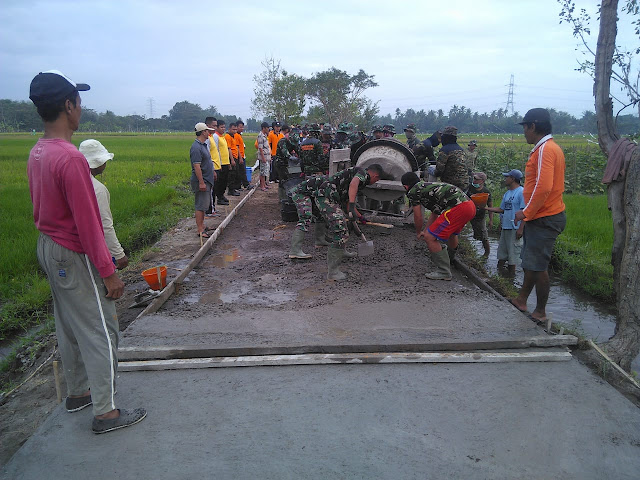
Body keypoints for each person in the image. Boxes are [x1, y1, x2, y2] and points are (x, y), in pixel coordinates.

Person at [27, 70, 146, 433]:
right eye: (78, 101)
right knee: (101, 328)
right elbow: (88, 224)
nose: (82, 107)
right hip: (72, 251)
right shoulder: (71, 158)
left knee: (69, 323)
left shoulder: (39, 150)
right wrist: (109, 272)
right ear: (68, 105)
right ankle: (106, 412)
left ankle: (78, 392)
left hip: (48, 247)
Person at [510, 108, 566, 322]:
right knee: (532, 263)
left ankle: (540, 311)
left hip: (544, 217)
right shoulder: (548, 148)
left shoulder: (545, 150)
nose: (524, 132)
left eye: (524, 127)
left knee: (538, 266)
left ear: (532, 126)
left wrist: (525, 213)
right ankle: (522, 300)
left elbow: (543, 187)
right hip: (543, 215)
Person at [289, 164, 384, 280]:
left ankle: (333, 247)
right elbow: (353, 184)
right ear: (375, 175)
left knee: (337, 223)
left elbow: (348, 200)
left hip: (325, 195)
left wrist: (360, 216)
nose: (375, 182)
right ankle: (333, 272)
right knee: (339, 230)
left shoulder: (358, 180)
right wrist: (352, 206)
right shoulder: (362, 173)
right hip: (324, 196)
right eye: (377, 180)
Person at [401, 172, 476, 281]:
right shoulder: (427, 187)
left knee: (429, 238)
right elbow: (435, 213)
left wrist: (418, 232)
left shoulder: (414, 191)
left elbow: (418, 216)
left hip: (459, 208)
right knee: (452, 233)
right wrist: (425, 230)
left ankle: (444, 271)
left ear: (405, 186)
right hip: (470, 206)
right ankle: (449, 260)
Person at [79, 139, 128, 269]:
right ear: (99, 163)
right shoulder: (97, 189)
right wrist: (119, 254)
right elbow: (105, 225)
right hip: (88, 249)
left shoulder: (73, 180)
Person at [485, 169, 525, 277]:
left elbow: (525, 212)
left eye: (507, 177)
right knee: (502, 254)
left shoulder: (521, 192)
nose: (505, 179)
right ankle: (499, 276)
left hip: (515, 228)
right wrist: (486, 208)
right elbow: (502, 209)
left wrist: (521, 229)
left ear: (513, 179)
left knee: (512, 257)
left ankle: (510, 280)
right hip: (506, 227)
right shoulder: (507, 193)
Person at [191, 122, 217, 237]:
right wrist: (201, 182)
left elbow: (208, 161)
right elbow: (197, 166)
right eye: (207, 131)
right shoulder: (196, 147)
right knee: (200, 205)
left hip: (207, 178)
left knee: (205, 204)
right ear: (202, 132)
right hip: (202, 181)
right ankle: (200, 229)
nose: (209, 133)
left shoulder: (203, 145)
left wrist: (213, 171)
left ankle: (203, 225)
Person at [466, 171, 494, 257]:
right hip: (469, 214)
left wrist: (491, 220)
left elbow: (490, 206)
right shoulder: (470, 188)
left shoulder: (486, 191)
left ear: (482, 181)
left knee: (484, 236)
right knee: (475, 233)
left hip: (480, 216)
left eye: (476, 179)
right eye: (474, 178)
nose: (474, 180)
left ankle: (487, 253)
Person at [434, 125, 469, 190]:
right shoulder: (461, 150)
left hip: (451, 185)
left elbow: (438, 171)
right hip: (464, 184)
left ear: (445, 138)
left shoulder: (445, 150)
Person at [213, 119, 233, 205]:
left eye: (224, 127)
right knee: (220, 182)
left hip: (225, 163)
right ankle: (219, 197)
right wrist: (219, 163)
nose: (223, 129)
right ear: (217, 127)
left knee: (225, 181)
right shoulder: (215, 137)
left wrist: (228, 162)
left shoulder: (222, 137)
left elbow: (225, 150)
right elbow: (216, 150)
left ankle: (222, 195)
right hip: (220, 163)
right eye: (221, 127)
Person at [205, 117, 221, 214]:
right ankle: (210, 210)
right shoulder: (207, 139)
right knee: (210, 191)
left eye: (216, 126)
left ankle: (213, 208)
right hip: (212, 167)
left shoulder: (212, 137)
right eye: (213, 126)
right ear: (207, 126)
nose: (215, 128)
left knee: (214, 190)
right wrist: (213, 169)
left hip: (216, 166)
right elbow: (207, 156)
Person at [234, 120, 252, 189]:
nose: (242, 129)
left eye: (242, 127)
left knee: (242, 171)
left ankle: (241, 185)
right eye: (240, 127)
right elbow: (236, 146)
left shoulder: (239, 135)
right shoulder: (235, 135)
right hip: (239, 156)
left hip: (242, 155)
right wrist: (240, 157)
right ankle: (244, 185)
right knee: (241, 172)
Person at [224, 122, 241, 196]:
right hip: (232, 157)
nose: (235, 131)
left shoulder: (233, 136)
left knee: (235, 173)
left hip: (236, 156)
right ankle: (231, 190)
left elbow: (236, 147)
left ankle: (233, 188)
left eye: (236, 129)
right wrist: (232, 160)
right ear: (229, 129)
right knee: (231, 174)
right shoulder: (227, 136)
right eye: (233, 129)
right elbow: (229, 149)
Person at [257, 121, 271, 191]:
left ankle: (265, 184)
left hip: (267, 157)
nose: (268, 129)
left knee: (265, 171)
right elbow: (260, 148)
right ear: (264, 128)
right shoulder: (260, 136)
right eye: (267, 128)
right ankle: (262, 186)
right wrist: (263, 158)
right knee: (262, 172)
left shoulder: (265, 135)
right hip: (264, 157)